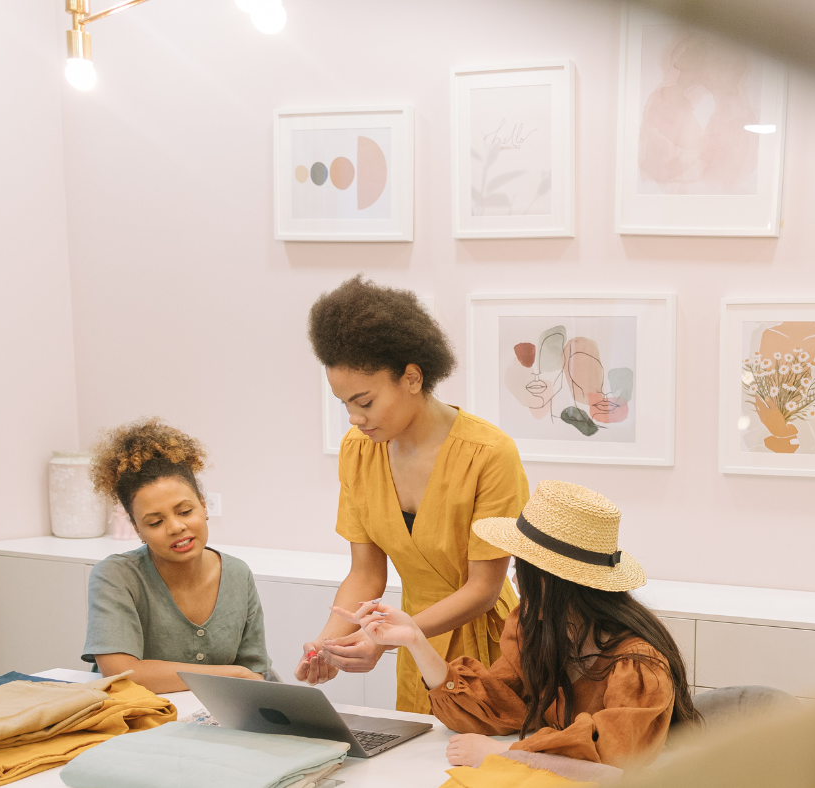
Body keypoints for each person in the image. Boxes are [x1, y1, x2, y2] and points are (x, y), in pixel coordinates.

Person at [332, 480, 698, 769]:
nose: (516, 581)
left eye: (522, 569)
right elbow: (494, 704)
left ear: (555, 582)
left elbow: (609, 755)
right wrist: (414, 638)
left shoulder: (637, 664)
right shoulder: (532, 629)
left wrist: (503, 754)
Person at [297, 276, 530, 713]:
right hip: (410, 639)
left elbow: (484, 588)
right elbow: (366, 575)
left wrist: (384, 637)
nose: (353, 418)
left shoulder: (489, 453)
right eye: (343, 403)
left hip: (488, 645)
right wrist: (328, 641)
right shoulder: (359, 451)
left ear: (411, 377)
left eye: (364, 402)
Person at [82, 417, 272, 692]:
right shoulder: (116, 576)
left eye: (185, 511)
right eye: (155, 522)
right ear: (137, 529)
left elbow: (255, 673)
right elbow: (120, 674)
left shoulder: (237, 574)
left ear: (204, 506)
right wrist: (232, 675)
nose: (176, 527)